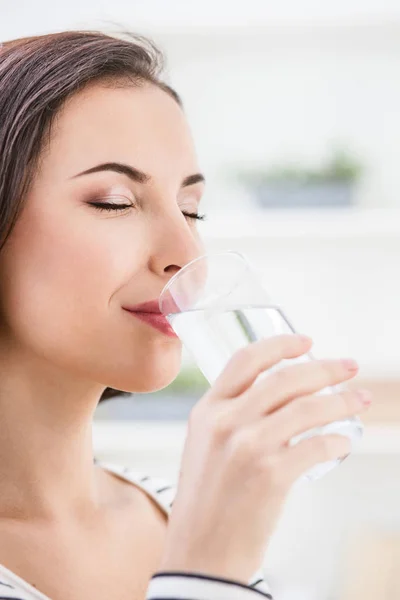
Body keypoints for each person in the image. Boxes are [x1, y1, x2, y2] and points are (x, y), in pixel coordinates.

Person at [0, 30, 372, 600]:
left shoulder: (178, 512)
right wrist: (204, 572)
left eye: (191, 209)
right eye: (115, 202)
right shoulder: (205, 540)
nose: (187, 253)